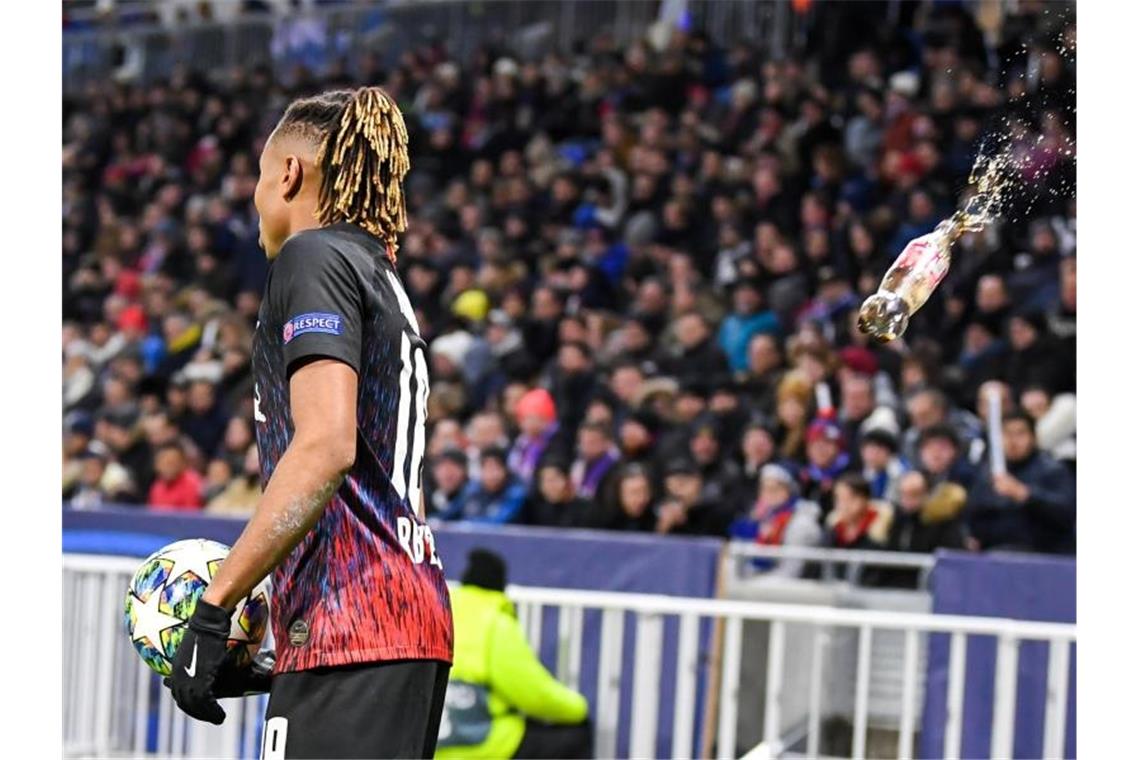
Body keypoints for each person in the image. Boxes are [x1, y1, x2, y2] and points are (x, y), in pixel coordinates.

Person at [165, 88, 452, 759]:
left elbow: (325, 446)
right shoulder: (376, 271)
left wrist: (215, 608)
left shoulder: (313, 256)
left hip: (355, 626)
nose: (257, 200)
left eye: (261, 180)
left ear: (289, 174)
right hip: (394, 620)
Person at [437, 550, 591, 760]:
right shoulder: (496, 623)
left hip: (432, 747)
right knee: (574, 734)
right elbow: (534, 694)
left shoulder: (440, 612)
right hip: (483, 747)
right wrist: (579, 708)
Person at [965, 410, 1076, 554]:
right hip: (994, 554)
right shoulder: (988, 472)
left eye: (1020, 433)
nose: (1013, 441)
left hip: (1042, 556)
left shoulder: (1053, 470)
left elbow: (1066, 513)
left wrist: (1025, 495)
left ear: (1033, 437)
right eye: (1007, 434)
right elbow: (973, 512)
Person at [728, 464, 823, 578]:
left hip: (788, 588)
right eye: (764, 489)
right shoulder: (761, 517)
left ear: (789, 491)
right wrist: (753, 522)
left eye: (774, 489)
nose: (768, 495)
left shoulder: (801, 523)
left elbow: (791, 572)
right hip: (759, 581)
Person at [878, 471, 968, 587]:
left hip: (929, 590)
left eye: (914, 494)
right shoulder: (894, 521)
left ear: (928, 493)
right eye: (903, 494)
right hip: (893, 589)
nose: (907, 500)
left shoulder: (943, 522)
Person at [454, 448, 528, 524]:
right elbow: (449, 514)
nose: (492, 474)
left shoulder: (515, 493)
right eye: (487, 468)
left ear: (505, 470)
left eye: (496, 468)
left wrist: (468, 525)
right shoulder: (471, 490)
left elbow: (498, 523)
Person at [526, 459, 593, 528]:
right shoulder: (538, 511)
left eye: (553, 480)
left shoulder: (587, 511)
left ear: (568, 480)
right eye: (544, 481)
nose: (549, 486)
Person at [147, 441, 204, 510]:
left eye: (173, 462)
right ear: (157, 465)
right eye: (165, 463)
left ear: (183, 463)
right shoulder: (156, 486)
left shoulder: (192, 483)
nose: (169, 467)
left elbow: (191, 517)